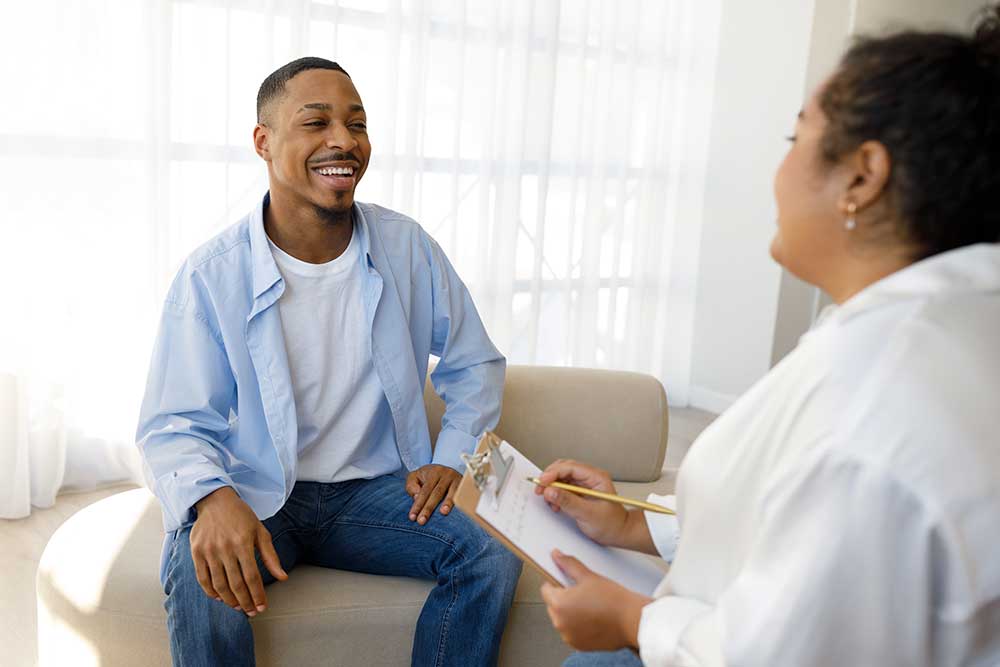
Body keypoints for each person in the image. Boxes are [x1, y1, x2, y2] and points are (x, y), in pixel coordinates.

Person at [534, 6, 1000, 666]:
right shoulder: (927, 325)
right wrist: (635, 520)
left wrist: (632, 618)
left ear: (863, 177)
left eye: (794, 138)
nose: (776, 173)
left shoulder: (874, 406)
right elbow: (795, 525)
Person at [136, 57, 521, 666]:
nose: (343, 140)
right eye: (316, 122)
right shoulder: (212, 275)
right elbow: (174, 422)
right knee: (197, 568)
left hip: (375, 493)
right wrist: (212, 499)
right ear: (264, 142)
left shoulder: (407, 248)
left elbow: (474, 363)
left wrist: (452, 459)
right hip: (259, 494)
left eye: (356, 123)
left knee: (489, 556)